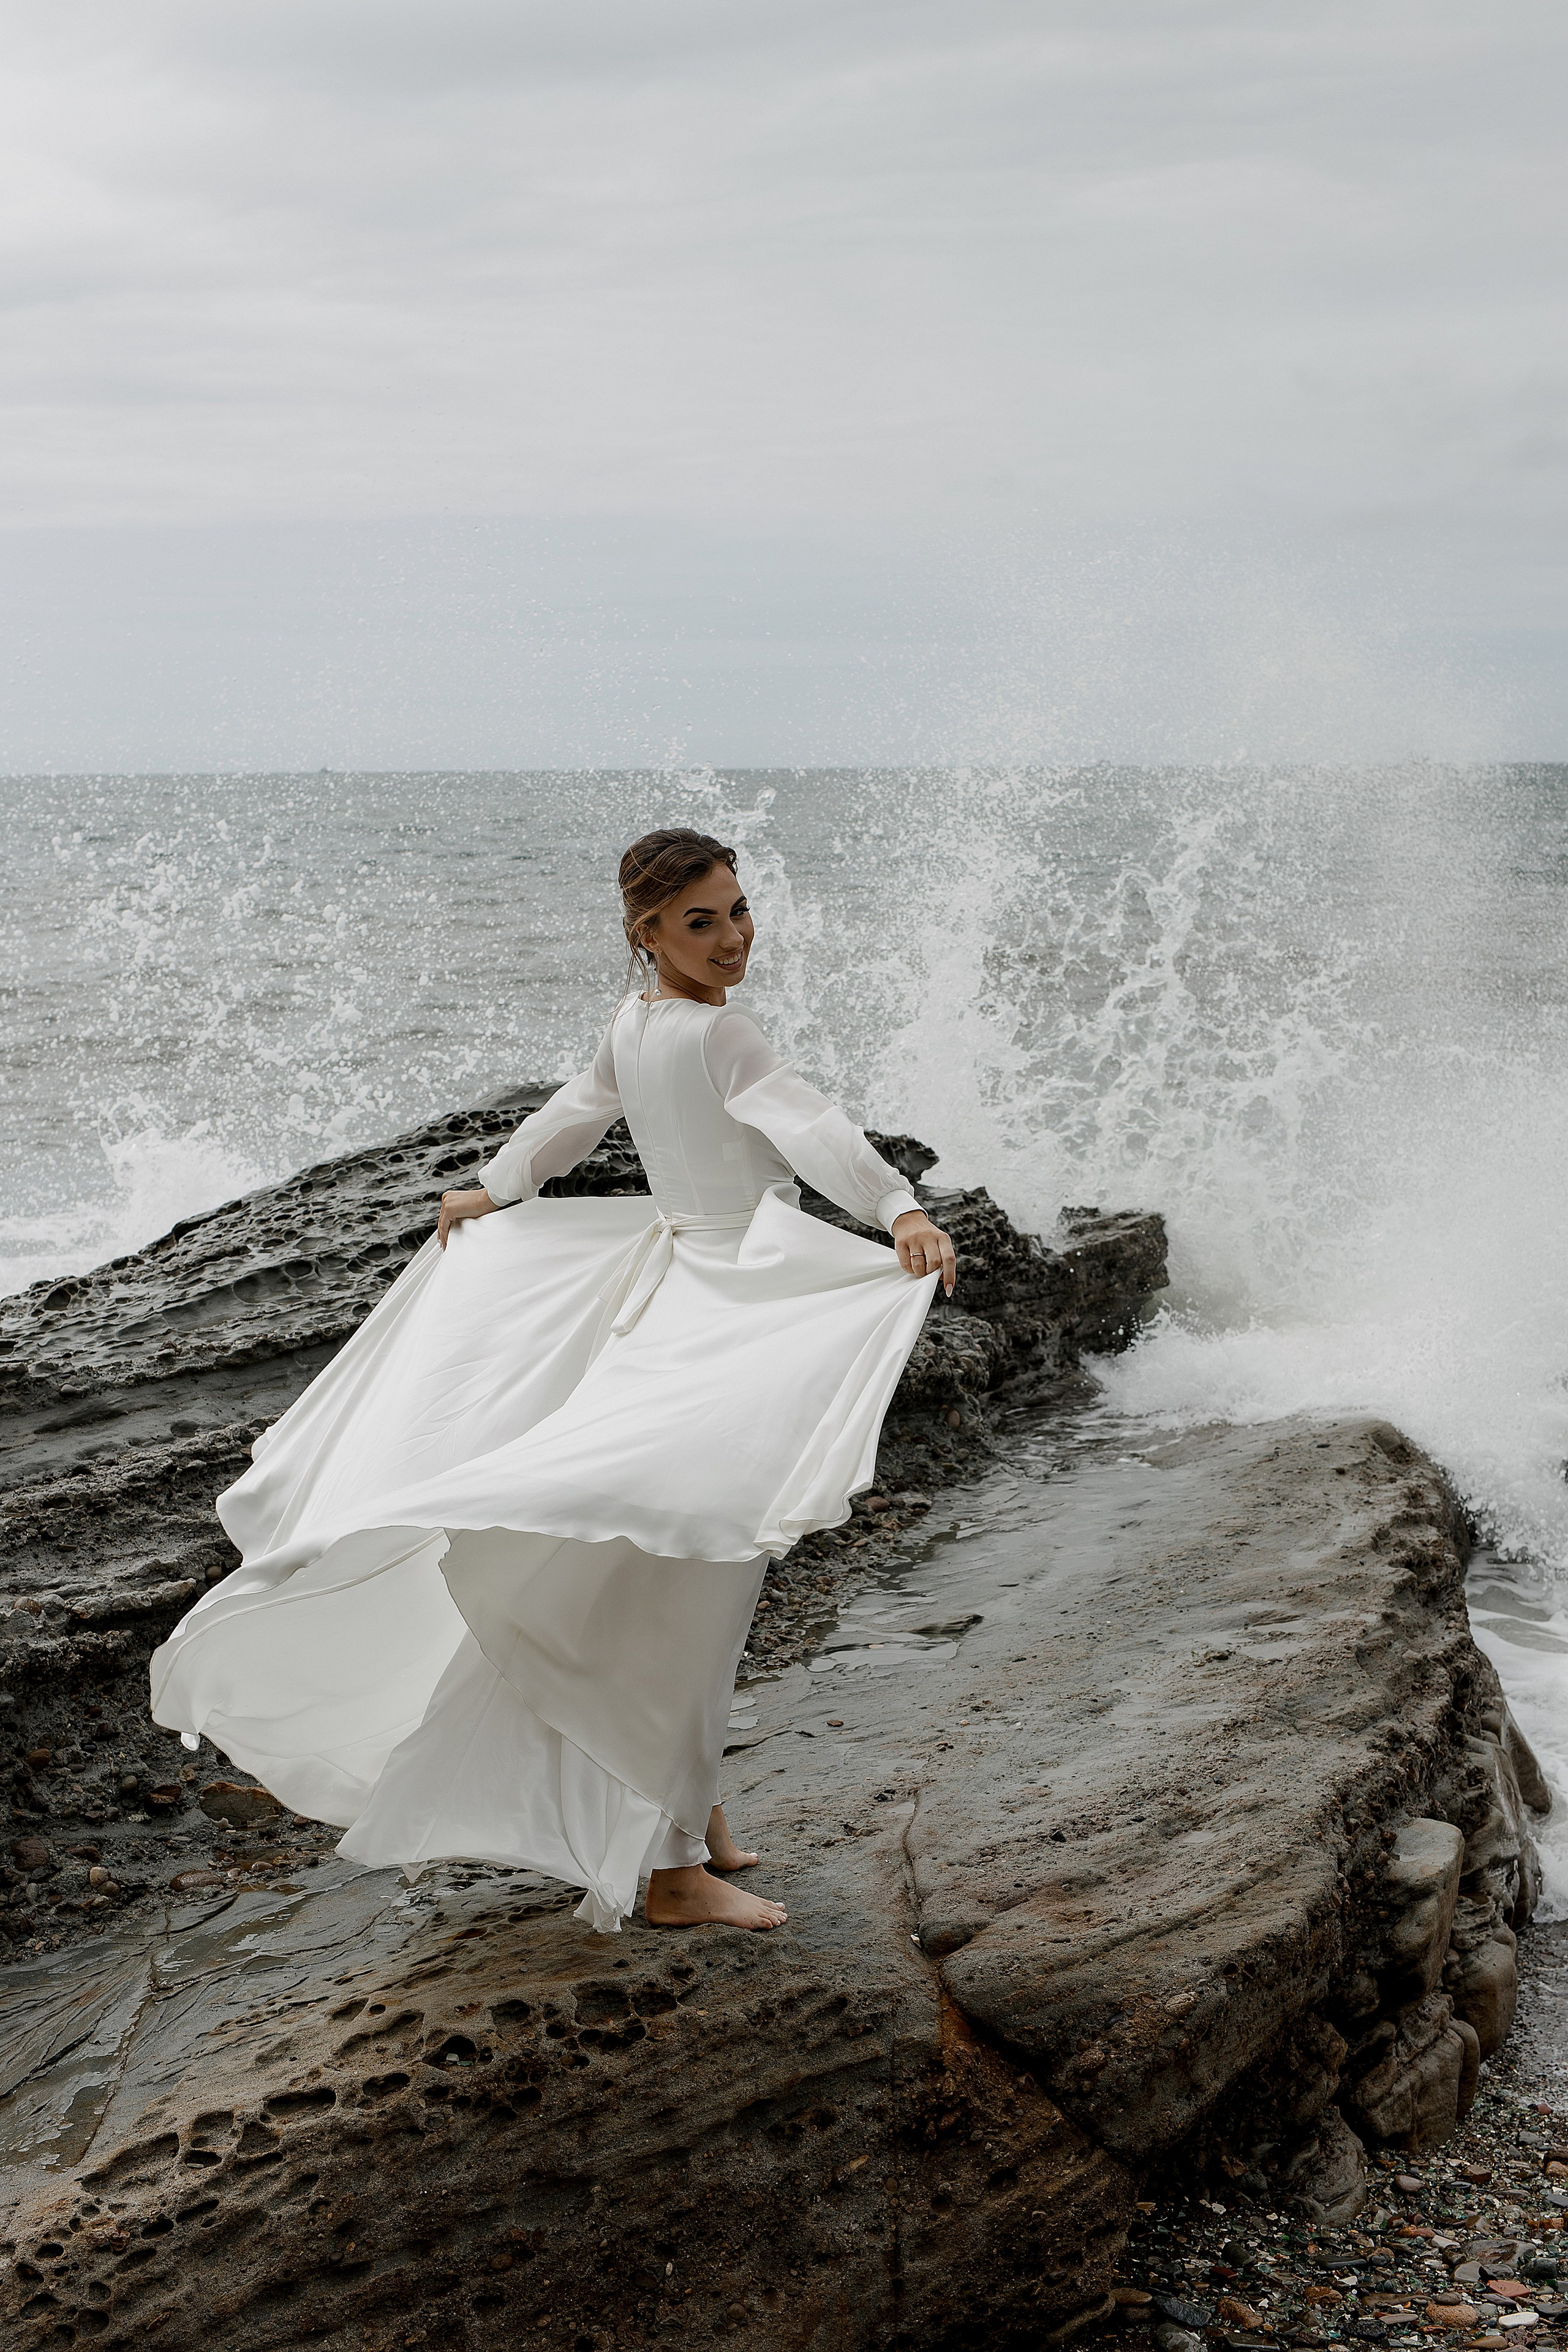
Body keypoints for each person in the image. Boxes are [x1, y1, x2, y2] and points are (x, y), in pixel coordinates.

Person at [150, 829, 955, 1934]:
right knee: (693, 1573)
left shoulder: (636, 1025)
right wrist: (897, 1209)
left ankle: (693, 1812)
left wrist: (495, 1184)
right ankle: (672, 1873)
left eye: (739, 910)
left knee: (689, 1566)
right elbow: (803, 1125)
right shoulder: (723, 1040)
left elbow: (573, 1116)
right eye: (701, 922)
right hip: (715, 1304)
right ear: (649, 934)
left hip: (681, 1295)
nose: (733, 938)